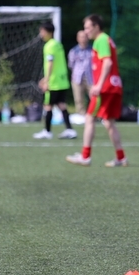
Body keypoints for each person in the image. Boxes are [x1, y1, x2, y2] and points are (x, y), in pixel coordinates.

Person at [66, 14, 127, 166]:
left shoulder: (101, 40)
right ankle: (121, 158)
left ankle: (85, 156)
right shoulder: (105, 40)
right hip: (114, 86)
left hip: (105, 88)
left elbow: (107, 62)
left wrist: (98, 84)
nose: (86, 32)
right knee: (108, 122)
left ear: (96, 27)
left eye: (88, 28)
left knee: (89, 118)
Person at [33, 21, 76, 140]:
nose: (40, 34)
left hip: (54, 82)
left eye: (42, 31)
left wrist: (46, 80)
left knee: (48, 106)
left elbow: (50, 63)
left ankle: (47, 131)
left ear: (48, 32)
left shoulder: (49, 46)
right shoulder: (58, 44)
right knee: (61, 105)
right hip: (62, 80)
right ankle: (70, 129)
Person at [67, 30, 93, 115]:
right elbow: (71, 65)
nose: (83, 39)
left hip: (91, 78)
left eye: (85, 36)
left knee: (94, 98)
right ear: (77, 38)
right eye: (81, 37)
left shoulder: (92, 50)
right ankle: (81, 116)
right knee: (79, 99)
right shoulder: (73, 51)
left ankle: (95, 115)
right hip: (77, 78)